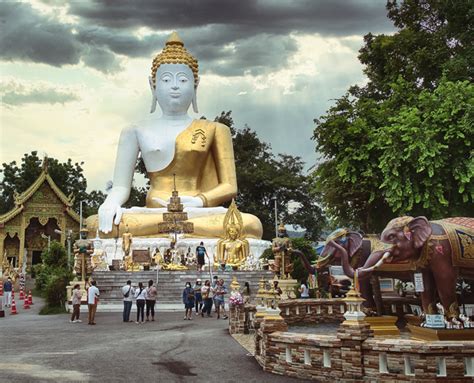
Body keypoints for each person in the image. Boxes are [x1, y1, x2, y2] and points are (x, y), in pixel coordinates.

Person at [86, 32, 263, 240]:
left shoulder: (216, 129)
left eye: (183, 79)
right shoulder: (134, 130)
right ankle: (178, 229)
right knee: (97, 224)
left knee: (251, 224)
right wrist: (110, 204)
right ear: (153, 85)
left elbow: (229, 186)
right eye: (167, 79)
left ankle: (173, 228)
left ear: (196, 85)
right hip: (153, 212)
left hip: (199, 211)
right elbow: (121, 187)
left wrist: (198, 201)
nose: (175, 86)